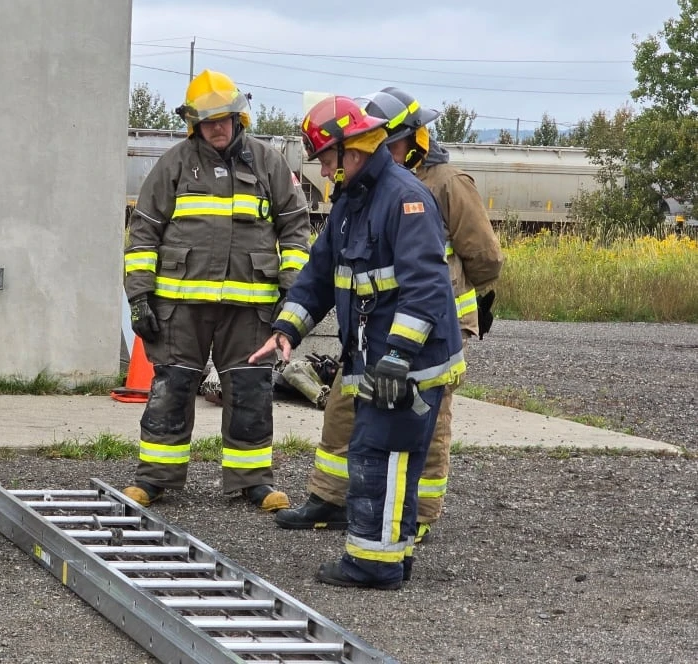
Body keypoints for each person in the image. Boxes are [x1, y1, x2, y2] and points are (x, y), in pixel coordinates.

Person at [250, 95, 464, 589]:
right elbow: (320, 275)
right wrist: (287, 329)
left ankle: (375, 565)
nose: (324, 171)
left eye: (326, 159)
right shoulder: (352, 201)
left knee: (378, 456)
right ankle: (389, 557)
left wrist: (396, 357)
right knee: (381, 457)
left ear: (353, 149)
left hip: (408, 365)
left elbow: (427, 289)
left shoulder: (404, 198)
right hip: (380, 361)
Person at [274, 88, 504, 543]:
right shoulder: (365, 190)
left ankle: (415, 513)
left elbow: (483, 256)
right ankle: (331, 497)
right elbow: (325, 269)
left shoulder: (443, 184)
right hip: (376, 331)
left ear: (415, 140)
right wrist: (289, 324)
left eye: (392, 143)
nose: (384, 150)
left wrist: (469, 303)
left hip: (433, 328)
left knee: (427, 424)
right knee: (343, 407)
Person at [121, 70, 313, 511]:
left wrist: (293, 291)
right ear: (194, 124)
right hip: (180, 306)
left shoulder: (268, 163)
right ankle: (154, 479)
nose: (218, 128)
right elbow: (143, 232)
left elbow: (297, 229)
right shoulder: (173, 164)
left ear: (238, 117)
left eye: (224, 119)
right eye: (208, 122)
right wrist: (138, 295)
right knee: (171, 388)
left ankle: (253, 482)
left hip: (249, 309)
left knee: (250, 392)